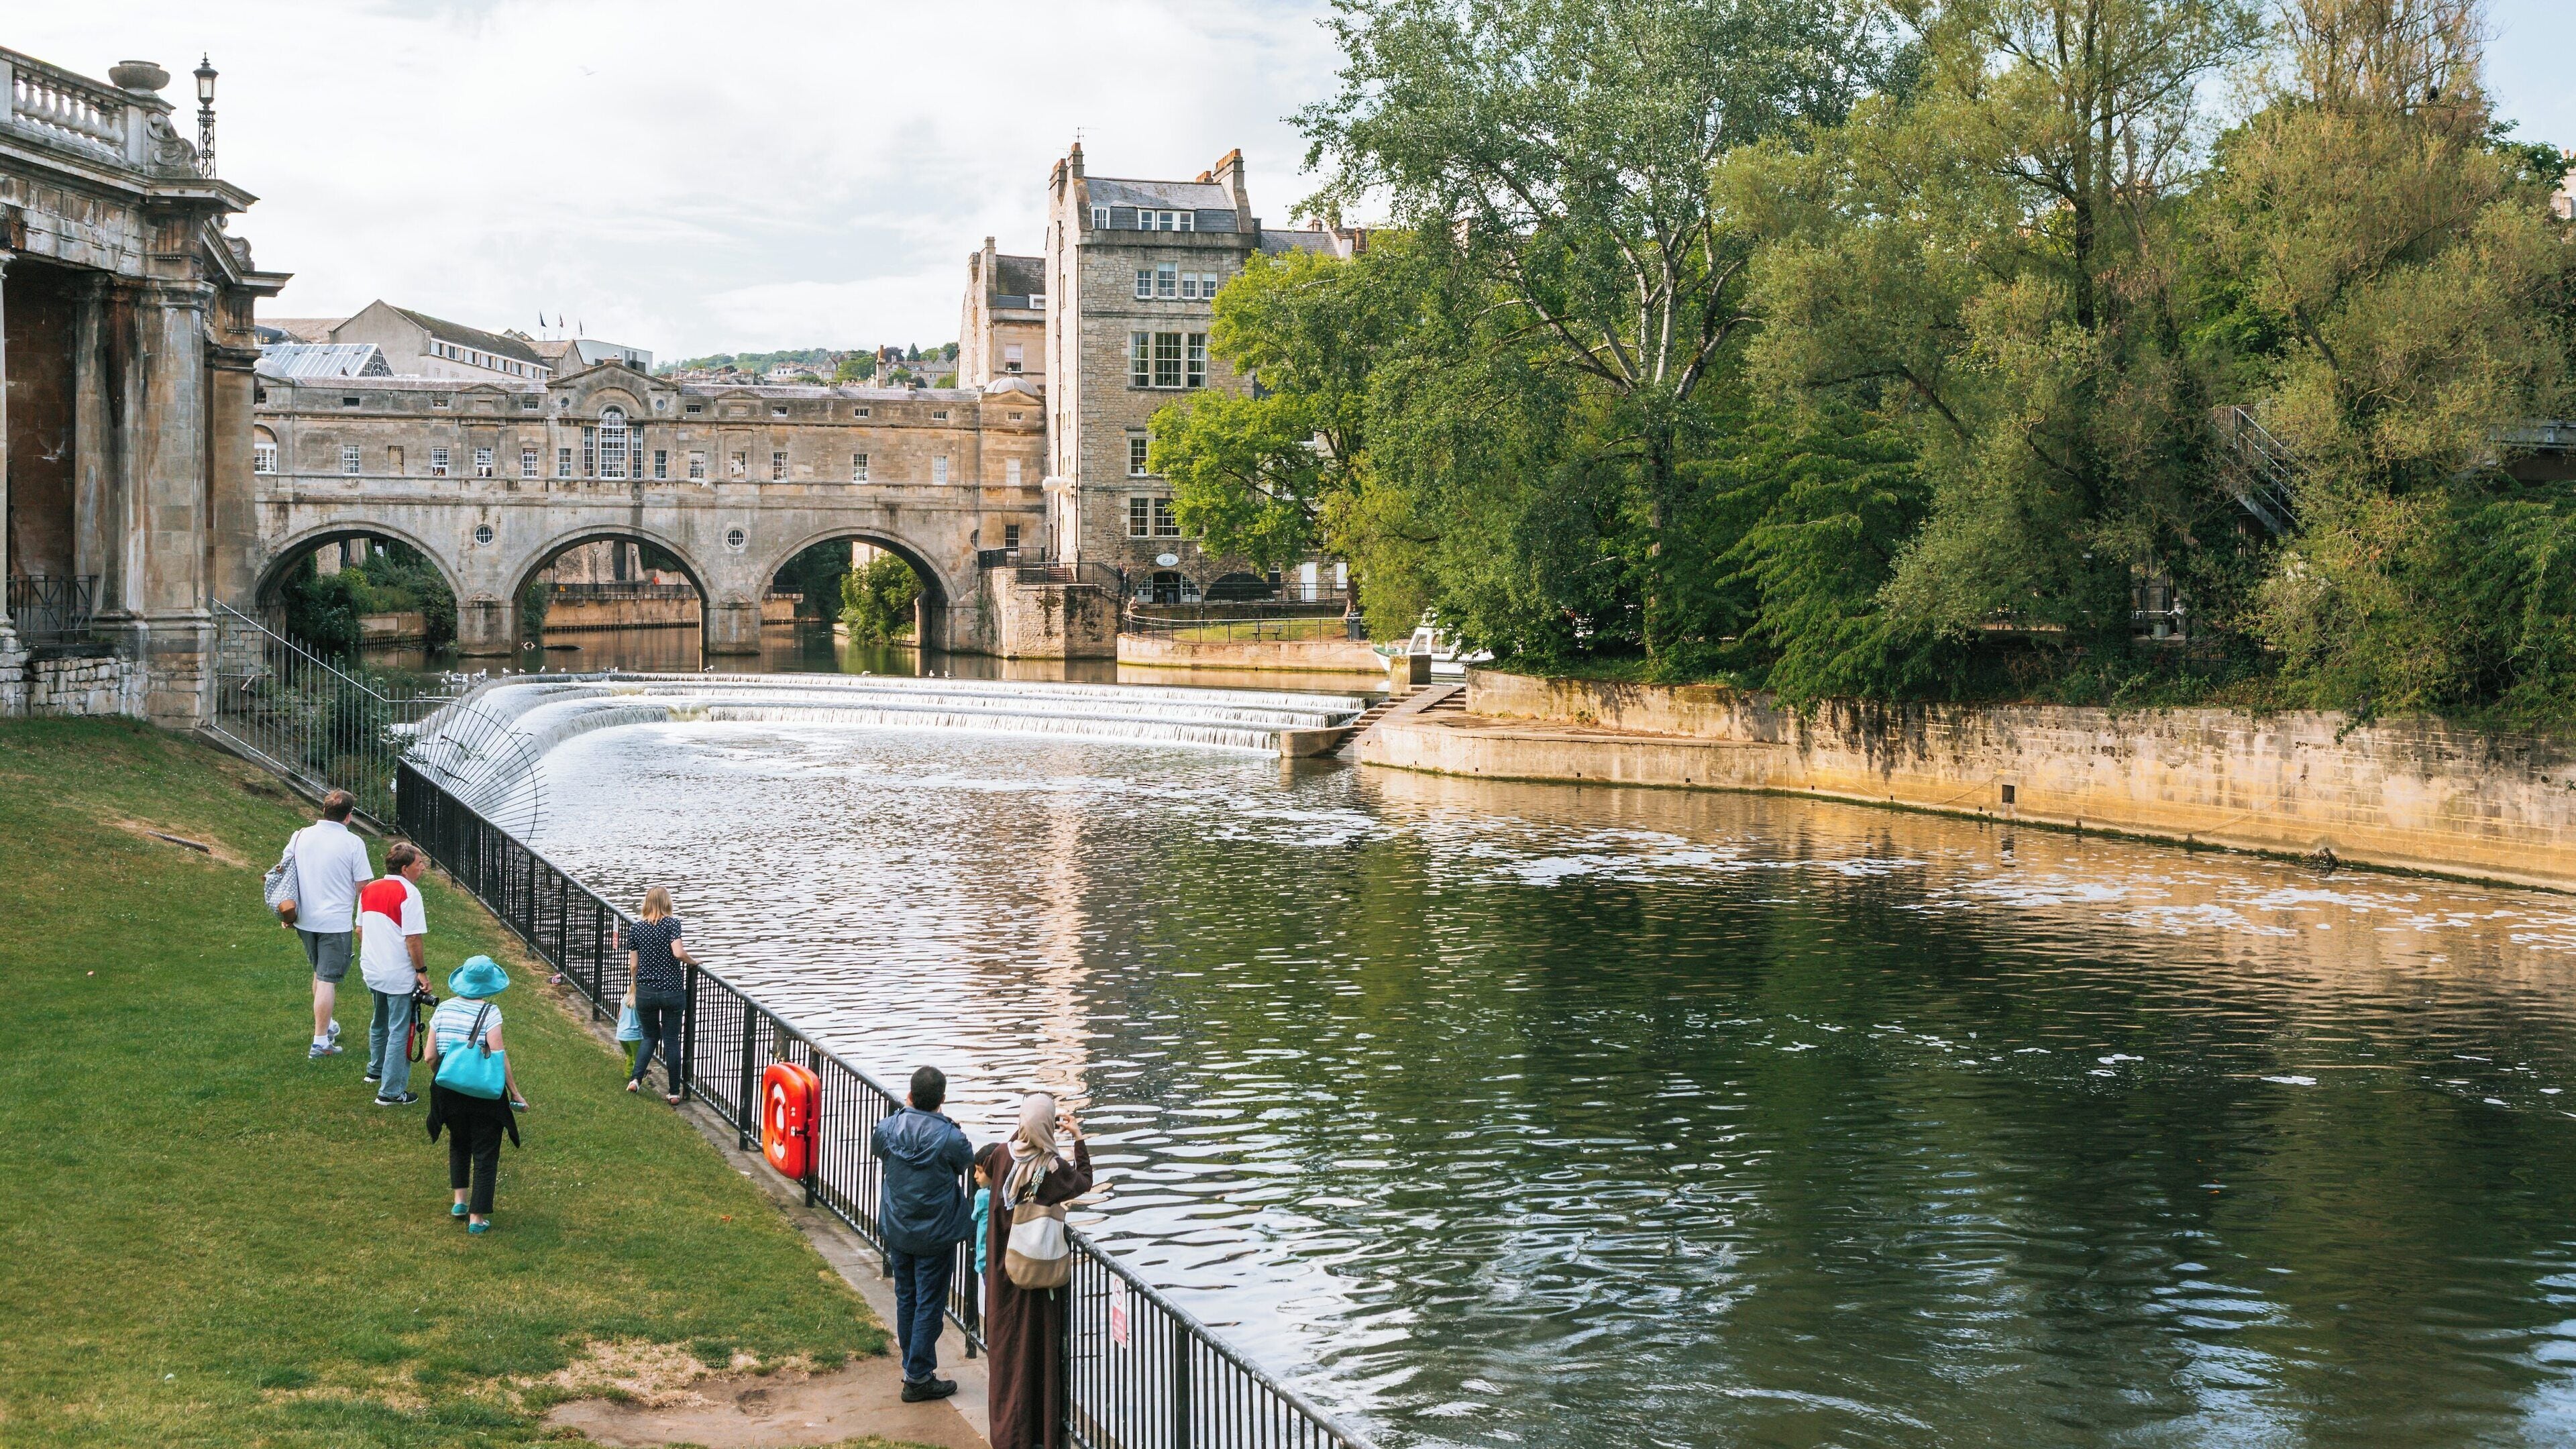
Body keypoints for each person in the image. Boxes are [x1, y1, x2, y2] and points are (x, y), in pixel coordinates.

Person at [977, 1093, 1093, 1449]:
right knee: (1036, 1354)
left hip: (1002, 1272)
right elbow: (1084, 1180)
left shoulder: (1000, 1156)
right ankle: (1040, 1433)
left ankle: (1008, 1434)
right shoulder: (1051, 1169)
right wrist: (1076, 1136)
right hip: (1035, 1277)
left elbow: (1016, 1144)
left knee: (1006, 1356)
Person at [869, 1066, 975, 1403]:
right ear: (943, 1100)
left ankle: (913, 1368)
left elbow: (879, 1148)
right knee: (930, 1301)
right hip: (936, 1234)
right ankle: (917, 1376)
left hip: (899, 1228)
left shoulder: (887, 1129)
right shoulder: (951, 1138)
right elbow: (966, 1163)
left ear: (910, 1095)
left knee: (907, 1297)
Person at [424, 955, 527, 1234]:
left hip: (447, 1090)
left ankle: (460, 1201)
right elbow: (497, 1056)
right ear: (489, 985)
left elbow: (429, 1056)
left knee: (459, 1141)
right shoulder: (490, 1013)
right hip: (482, 1095)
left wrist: (444, 1075)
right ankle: (477, 1218)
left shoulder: (443, 1009)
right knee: (485, 1151)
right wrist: (515, 1092)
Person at [275, 790, 374, 1059]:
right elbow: (363, 887)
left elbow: (285, 872)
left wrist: (288, 912)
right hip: (335, 922)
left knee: (320, 973)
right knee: (328, 979)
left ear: (324, 810)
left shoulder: (300, 836)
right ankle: (320, 1042)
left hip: (304, 920)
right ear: (349, 816)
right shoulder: (353, 844)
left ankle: (327, 1025)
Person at [356, 842, 432, 1106]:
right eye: (419, 863)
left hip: (372, 969)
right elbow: (413, 939)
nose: (422, 867)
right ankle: (390, 1092)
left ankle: (375, 1071)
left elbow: (360, 930)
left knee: (379, 1021)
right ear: (404, 868)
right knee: (400, 1029)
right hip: (397, 974)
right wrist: (421, 972)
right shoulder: (409, 893)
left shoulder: (369, 890)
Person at [623, 888, 697, 1104]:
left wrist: (635, 987)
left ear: (646, 903)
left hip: (646, 991)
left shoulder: (636, 928)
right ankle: (674, 1092)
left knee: (649, 1036)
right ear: (667, 903)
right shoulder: (672, 924)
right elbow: (678, 952)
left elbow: (634, 965)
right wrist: (693, 962)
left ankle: (636, 1079)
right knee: (671, 1039)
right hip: (672, 990)